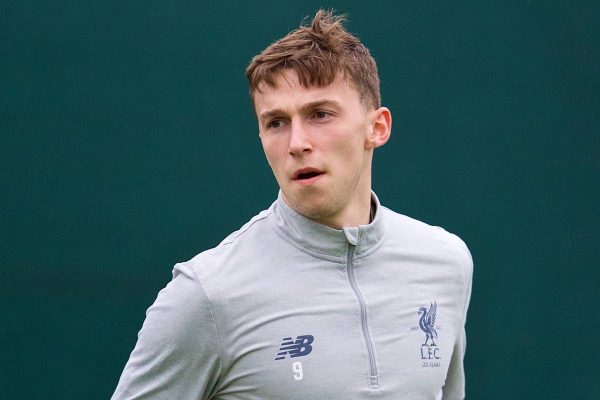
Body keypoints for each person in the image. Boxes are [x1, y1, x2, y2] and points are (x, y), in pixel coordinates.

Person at [111, 9, 473, 400]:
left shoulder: (446, 262)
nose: (297, 142)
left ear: (377, 127)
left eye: (320, 114)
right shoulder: (207, 295)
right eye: (276, 122)